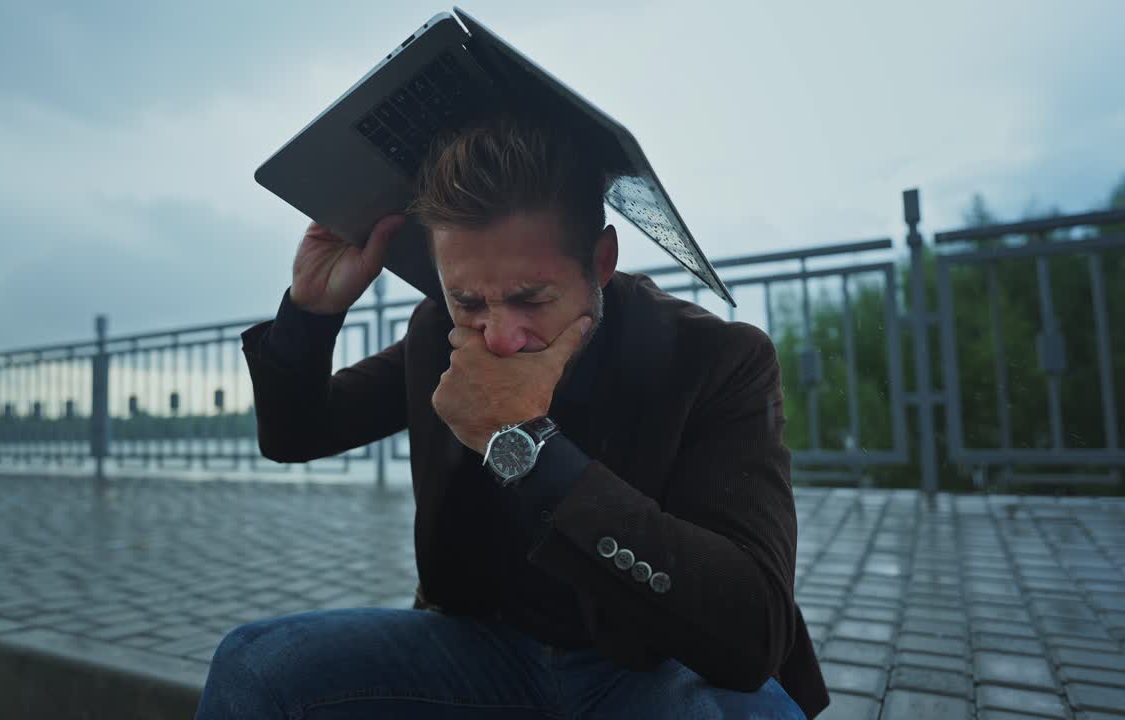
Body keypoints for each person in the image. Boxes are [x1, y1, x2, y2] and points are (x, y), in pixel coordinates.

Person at [194, 108, 828, 719]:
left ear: (601, 262)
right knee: (255, 667)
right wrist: (310, 313)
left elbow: (752, 634)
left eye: (530, 298)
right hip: (482, 653)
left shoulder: (715, 358)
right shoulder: (438, 335)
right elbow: (298, 435)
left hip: (650, 666)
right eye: (468, 300)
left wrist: (524, 443)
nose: (498, 336)